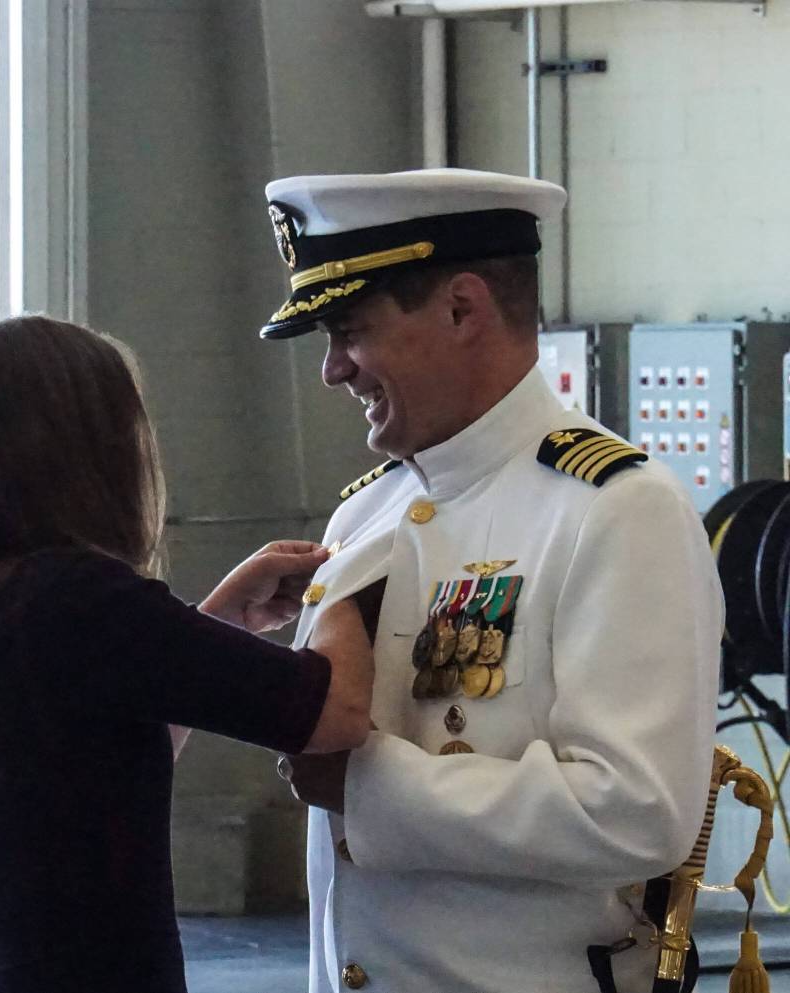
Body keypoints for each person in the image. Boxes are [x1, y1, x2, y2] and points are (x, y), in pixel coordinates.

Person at [261, 170, 723, 993]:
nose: (333, 370)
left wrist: (370, 789)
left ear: (462, 309)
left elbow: (638, 811)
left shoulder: (616, 509)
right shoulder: (364, 516)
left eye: (350, 330)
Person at [0, 315, 375, 993]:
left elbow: (90, 775)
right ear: (83, 451)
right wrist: (351, 569)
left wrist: (221, 618)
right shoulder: (76, 597)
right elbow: (336, 711)